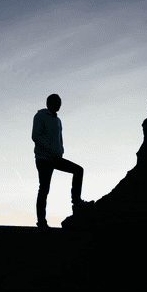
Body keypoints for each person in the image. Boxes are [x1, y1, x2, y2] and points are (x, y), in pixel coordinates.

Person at [32, 94, 94, 229]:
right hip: (43, 159)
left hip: (56, 158)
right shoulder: (40, 116)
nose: (59, 104)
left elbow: (59, 138)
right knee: (44, 189)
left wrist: (61, 150)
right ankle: (41, 222)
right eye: (57, 102)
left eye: (60, 102)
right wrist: (50, 150)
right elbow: (35, 136)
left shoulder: (58, 120)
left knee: (78, 170)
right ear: (50, 103)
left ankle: (76, 203)